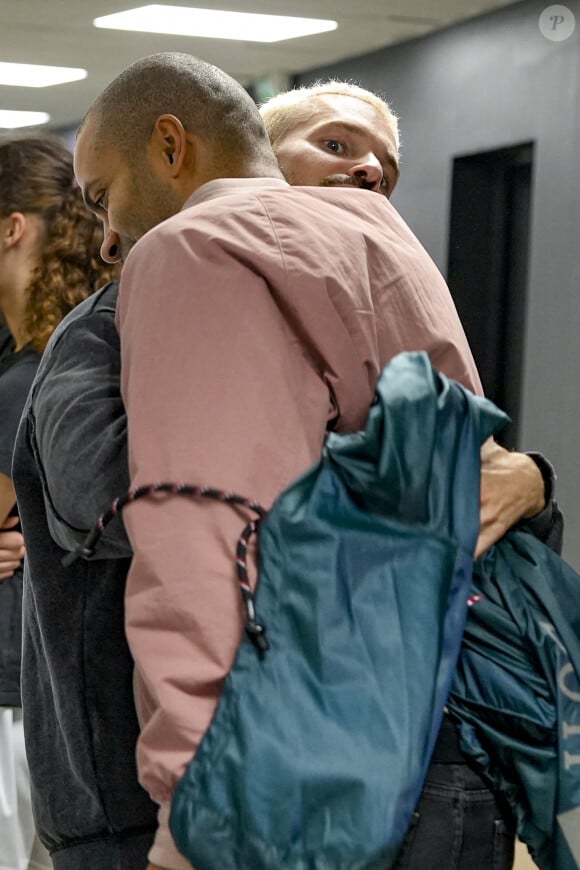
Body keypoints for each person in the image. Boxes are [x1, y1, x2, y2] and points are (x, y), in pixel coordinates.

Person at [12, 65, 555, 870]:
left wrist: (530, 484)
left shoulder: (356, 276)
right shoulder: (115, 319)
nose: (366, 173)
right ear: (252, 153)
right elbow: (110, 496)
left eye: (384, 166)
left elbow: (487, 520)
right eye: (334, 144)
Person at [0, 135, 156, 870]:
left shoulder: (39, 370)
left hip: (25, 700)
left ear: (10, 228)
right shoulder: (64, 348)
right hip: (59, 701)